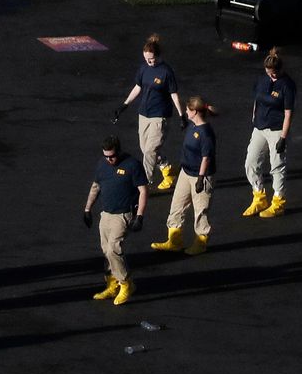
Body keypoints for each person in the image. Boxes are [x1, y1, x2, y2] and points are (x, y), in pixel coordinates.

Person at [114, 35, 184, 192]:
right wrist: (124, 105)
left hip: (160, 116)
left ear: (158, 56)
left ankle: (145, 184)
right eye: (146, 59)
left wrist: (182, 115)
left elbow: (174, 94)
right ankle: (168, 170)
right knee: (145, 149)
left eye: (151, 59)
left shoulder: (166, 72)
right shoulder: (144, 69)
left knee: (151, 150)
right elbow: (138, 87)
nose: (149, 62)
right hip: (144, 115)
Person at [84, 135, 148, 304]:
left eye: (112, 156)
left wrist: (139, 216)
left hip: (122, 215)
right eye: (106, 156)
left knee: (114, 248)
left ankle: (126, 283)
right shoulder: (102, 165)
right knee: (106, 250)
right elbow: (95, 186)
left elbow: (143, 191)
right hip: (106, 214)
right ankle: (112, 284)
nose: (109, 160)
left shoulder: (132, 165)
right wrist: (87, 209)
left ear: (118, 152)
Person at [150, 96, 216, 255]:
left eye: (188, 110)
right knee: (177, 206)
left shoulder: (206, 133)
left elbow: (206, 158)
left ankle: (201, 242)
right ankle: (174, 240)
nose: (185, 111)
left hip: (200, 176)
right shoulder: (193, 126)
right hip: (186, 173)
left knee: (200, 210)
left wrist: (200, 179)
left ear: (194, 112)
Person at [241, 49, 295, 219]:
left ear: (279, 70)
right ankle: (259, 196)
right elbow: (257, 99)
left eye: (274, 73)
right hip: (260, 128)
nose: (271, 76)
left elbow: (288, 113)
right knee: (251, 162)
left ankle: (278, 203)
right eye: (268, 73)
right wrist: (254, 117)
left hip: (276, 129)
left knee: (277, 166)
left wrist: (283, 138)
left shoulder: (287, 85)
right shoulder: (262, 80)